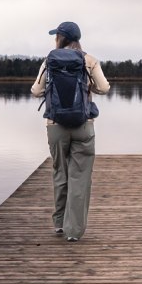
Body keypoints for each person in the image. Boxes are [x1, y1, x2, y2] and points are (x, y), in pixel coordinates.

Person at [31, 21, 111, 242]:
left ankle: (59, 223)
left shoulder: (49, 61)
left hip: (55, 126)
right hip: (83, 125)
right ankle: (73, 231)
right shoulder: (89, 60)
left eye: (56, 35)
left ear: (61, 38)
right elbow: (104, 87)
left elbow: (36, 91)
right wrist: (88, 87)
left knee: (60, 172)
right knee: (79, 177)